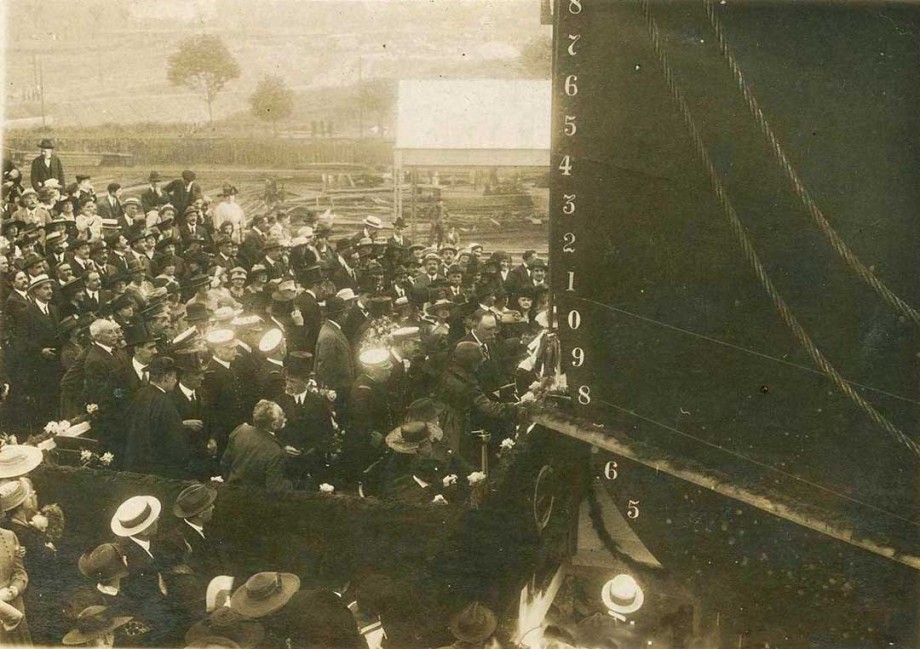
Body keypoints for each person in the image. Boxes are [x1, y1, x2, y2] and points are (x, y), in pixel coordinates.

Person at [2, 477, 66, 644]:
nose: (34, 496)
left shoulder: (18, 533)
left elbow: (21, 570)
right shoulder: (16, 533)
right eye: (30, 494)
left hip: (22, 600)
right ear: (21, 503)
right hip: (26, 602)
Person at [123, 356, 193, 478]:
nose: (176, 381)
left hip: (135, 464)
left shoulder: (141, 394)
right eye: (175, 377)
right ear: (166, 378)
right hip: (158, 469)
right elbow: (175, 442)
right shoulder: (164, 403)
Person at [221, 400, 294, 492]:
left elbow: (225, 463)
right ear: (274, 425)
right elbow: (275, 489)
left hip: (232, 492)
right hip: (255, 501)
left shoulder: (241, 431)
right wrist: (290, 484)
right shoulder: (274, 450)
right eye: (281, 415)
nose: (284, 417)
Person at [314, 297, 355, 411]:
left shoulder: (332, 330)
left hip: (342, 387)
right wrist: (331, 392)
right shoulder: (329, 336)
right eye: (345, 313)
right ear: (339, 315)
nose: (347, 316)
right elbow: (325, 368)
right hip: (338, 390)